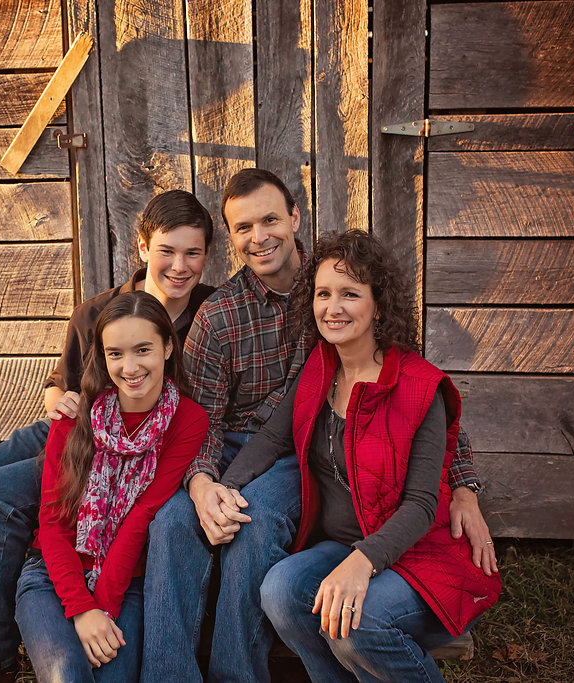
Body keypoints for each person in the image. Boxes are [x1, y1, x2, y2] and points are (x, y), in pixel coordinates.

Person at [141, 169, 495, 682]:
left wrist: (464, 486)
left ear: (295, 218)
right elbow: (211, 423)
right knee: (173, 522)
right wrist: (206, 485)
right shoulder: (224, 320)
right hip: (246, 448)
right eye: (243, 228)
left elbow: (422, 404)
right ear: (231, 239)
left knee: (254, 523)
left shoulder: (343, 281)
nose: (258, 237)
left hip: (315, 457)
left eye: (269, 220)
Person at [0, 190, 215, 683]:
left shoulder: (207, 316)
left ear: (206, 255)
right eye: (167, 251)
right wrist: (54, 395)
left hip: (140, 444)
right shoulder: (97, 311)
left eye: (192, 253)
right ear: (142, 248)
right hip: (73, 431)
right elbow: (64, 381)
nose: (179, 266)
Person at [220, 230, 502, 681]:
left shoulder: (418, 386)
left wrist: (361, 563)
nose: (333, 308)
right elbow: (273, 438)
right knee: (279, 590)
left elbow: (421, 505)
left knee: (355, 624)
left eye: (350, 294)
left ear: (378, 304)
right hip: (342, 546)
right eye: (323, 294)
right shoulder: (321, 365)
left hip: (417, 556)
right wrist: (224, 488)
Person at [16, 291, 209, 682]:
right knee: (68, 674)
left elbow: (142, 516)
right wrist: (81, 610)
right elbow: (53, 524)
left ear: (168, 347)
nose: (130, 366)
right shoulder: (73, 416)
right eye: (116, 353)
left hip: (125, 582)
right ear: (102, 357)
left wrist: (102, 609)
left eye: (143, 350)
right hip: (52, 575)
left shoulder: (188, 420)